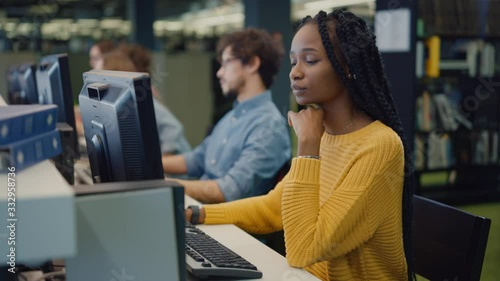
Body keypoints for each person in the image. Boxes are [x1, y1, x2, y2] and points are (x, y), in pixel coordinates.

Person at [185, 10, 414, 281]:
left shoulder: (379, 146)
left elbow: (304, 248)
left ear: (348, 67)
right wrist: (195, 214)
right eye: (293, 62)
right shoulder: (325, 135)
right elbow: (273, 207)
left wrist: (307, 147)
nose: (295, 73)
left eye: (310, 60)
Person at [163, 28, 291, 204]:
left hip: (225, 223)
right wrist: (146, 167)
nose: (219, 73)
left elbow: (229, 190)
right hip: (202, 212)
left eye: (226, 63)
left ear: (252, 64)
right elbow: (197, 160)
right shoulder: (230, 117)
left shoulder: (268, 126)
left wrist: (163, 185)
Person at [94, 49, 191, 156]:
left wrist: (163, 161)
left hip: (175, 169)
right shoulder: (119, 103)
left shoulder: (138, 100)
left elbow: (173, 127)